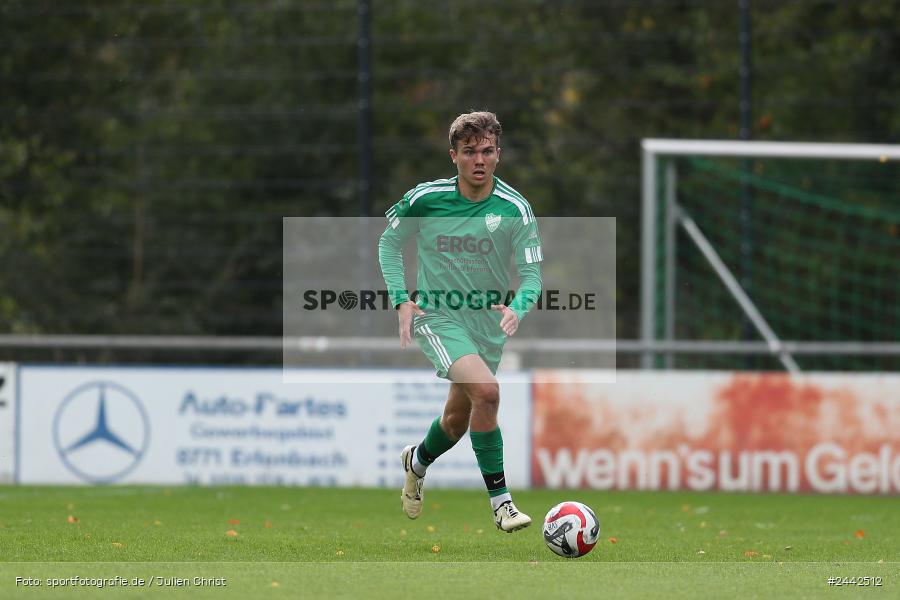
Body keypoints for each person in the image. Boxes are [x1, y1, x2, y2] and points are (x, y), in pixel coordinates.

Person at [377, 110, 543, 532]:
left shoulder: (514, 209)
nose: (479, 160)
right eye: (469, 152)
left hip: (486, 327)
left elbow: (532, 276)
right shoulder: (427, 198)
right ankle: (502, 503)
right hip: (436, 315)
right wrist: (401, 299)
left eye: (487, 151)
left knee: (455, 421)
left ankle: (416, 461)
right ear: (454, 156)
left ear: (498, 154)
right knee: (487, 392)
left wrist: (517, 307)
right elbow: (389, 242)